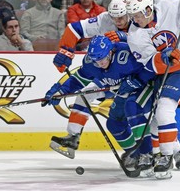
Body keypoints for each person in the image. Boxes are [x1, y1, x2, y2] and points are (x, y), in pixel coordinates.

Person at [42, 35, 156, 177]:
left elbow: (151, 66)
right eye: (96, 60)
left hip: (140, 87)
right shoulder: (92, 62)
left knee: (136, 111)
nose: (100, 63)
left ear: (110, 52)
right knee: (112, 122)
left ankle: (160, 153)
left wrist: (136, 80)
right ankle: (134, 153)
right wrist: (59, 91)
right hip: (116, 87)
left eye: (102, 58)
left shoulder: (126, 55)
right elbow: (78, 79)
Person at [125, 0, 180, 179]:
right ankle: (179, 154)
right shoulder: (134, 35)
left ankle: (165, 157)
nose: (134, 19)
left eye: (137, 15)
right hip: (162, 71)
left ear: (148, 10)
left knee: (164, 110)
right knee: (155, 120)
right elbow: (148, 63)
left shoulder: (166, 4)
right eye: (132, 15)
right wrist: (162, 57)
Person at [53, 0, 130, 72]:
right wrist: (65, 51)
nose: (117, 21)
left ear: (129, 14)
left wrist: (127, 37)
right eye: (113, 17)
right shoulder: (105, 19)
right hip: (108, 65)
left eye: (120, 17)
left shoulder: (138, 19)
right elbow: (74, 29)